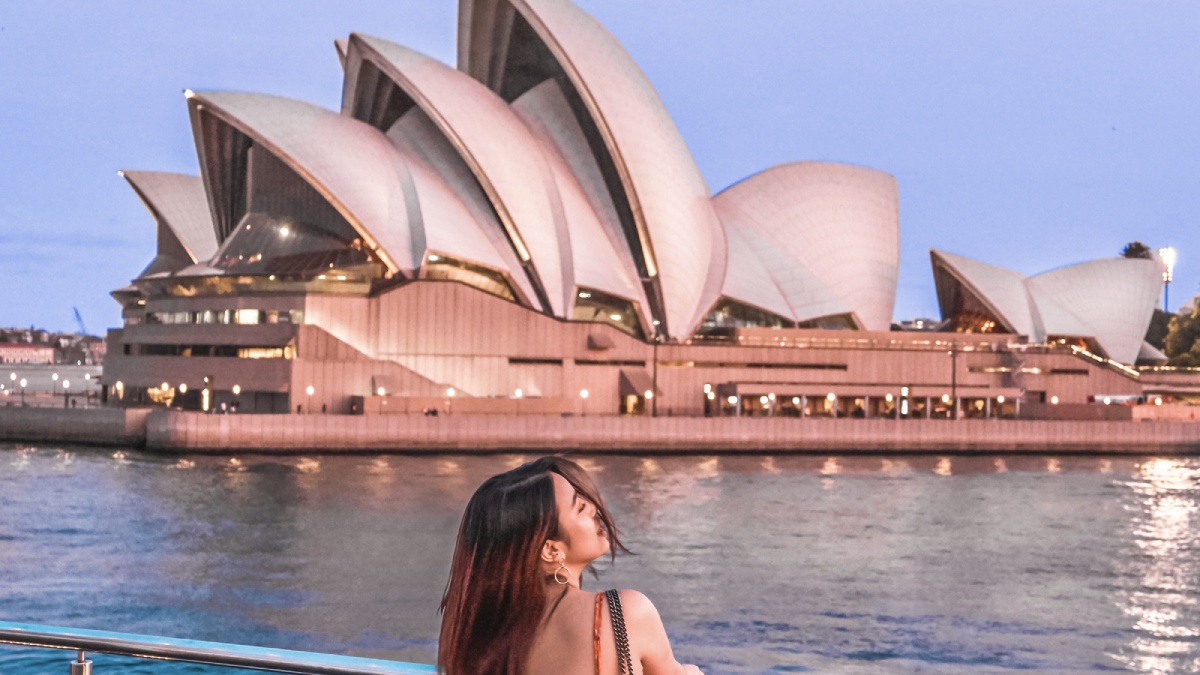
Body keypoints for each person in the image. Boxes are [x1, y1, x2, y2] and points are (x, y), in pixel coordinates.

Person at [439, 456, 703, 675]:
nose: (594, 507)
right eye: (580, 506)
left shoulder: (475, 638)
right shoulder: (624, 614)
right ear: (551, 550)